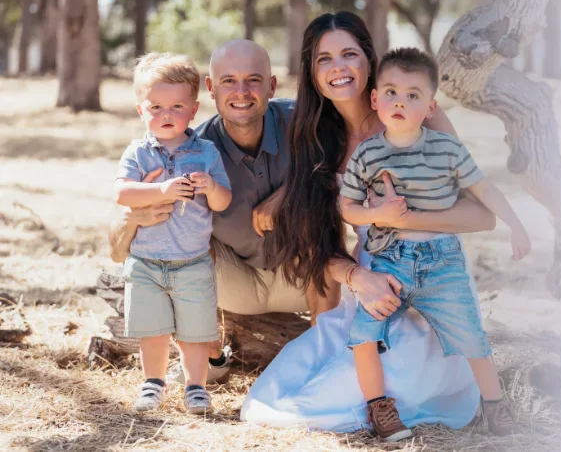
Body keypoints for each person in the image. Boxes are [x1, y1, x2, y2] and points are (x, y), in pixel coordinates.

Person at [107, 39, 494, 388]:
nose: (242, 92)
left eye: (254, 80)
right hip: (234, 280)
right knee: (177, 253)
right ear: (210, 89)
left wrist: (293, 192)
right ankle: (211, 354)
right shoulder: (191, 148)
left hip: (309, 273)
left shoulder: (306, 125)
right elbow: (117, 247)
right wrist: (134, 219)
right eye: (228, 81)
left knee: (314, 219)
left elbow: (369, 143)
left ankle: (324, 357)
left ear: (273, 86)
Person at [241, 12, 494, 434]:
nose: (338, 67)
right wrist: (358, 277)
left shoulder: (420, 118)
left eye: (349, 54)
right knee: (273, 397)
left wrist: (406, 217)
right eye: (324, 59)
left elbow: (481, 213)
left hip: (435, 280)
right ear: (312, 71)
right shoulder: (317, 138)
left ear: (369, 59)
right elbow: (315, 243)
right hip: (372, 281)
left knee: (325, 402)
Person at [339, 47, 531, 439]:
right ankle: (380, 409)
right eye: (390, 92)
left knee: (471, 335)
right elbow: (348, 207)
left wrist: (515, 224)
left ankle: (496, 407)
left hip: (441, 259)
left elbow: (482, 188)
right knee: (364, 332)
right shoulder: (368, 153)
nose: (399, 102)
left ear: (430, 106)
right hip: (389, 260)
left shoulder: (446, 149)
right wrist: (378, 215)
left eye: (413, 95)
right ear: (375, 99)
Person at [114, 52, 233, 414]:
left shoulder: (206, 152)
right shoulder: (138, 153)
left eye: (176, 106)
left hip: (192, 260)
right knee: (154, 329)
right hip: (146, 260)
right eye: (156, 107)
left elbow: (224, 200)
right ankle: (153, 383)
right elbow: (122, 192)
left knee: (195, 330)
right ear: (141, 111)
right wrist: (162, 190)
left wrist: (210, 185)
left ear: (193, 110)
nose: (166, 115)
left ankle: (196, 386)